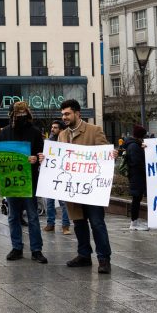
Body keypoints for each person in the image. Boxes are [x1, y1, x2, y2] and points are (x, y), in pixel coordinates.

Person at [59, 99, 117, 274]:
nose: (64, 117)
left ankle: (103, 258)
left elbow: (104, 153)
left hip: (92, 188)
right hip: (73, 188)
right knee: (79, 223)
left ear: (77, 114)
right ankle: (84, 255)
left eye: (67, 114)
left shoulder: (94, 130)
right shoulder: (62, 135)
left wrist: (110, 153)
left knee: (97, 223)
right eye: (62, 115)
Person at [0, 102, 47, 263]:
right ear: (11, 114)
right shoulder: (5, 132)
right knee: (13, 216)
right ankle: (17, 247)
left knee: (32, 216)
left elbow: (42, 154)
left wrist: (36, 158)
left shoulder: (34, 132)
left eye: (22, 113)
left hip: (29, 180)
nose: (20, 117)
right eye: (17, 114)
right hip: (11, 181)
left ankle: (36, 249)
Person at [44, 120, 71, 233]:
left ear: (60, 130)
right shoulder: (48, 142)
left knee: (64, 203)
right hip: (51, 175)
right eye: (52, 127)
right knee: (49, 202)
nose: (52, 129)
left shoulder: (66, 141)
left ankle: (65, 226)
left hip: (63, 176)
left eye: (55, 127)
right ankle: (50, 224)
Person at [126, 124, 148, 231]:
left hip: (136, 176)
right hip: (137, 177)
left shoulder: (134, 145)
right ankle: (134, 223)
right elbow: (137, 162)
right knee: (136, 198)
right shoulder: (134, 146)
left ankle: (135, 222)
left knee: (137, 198)